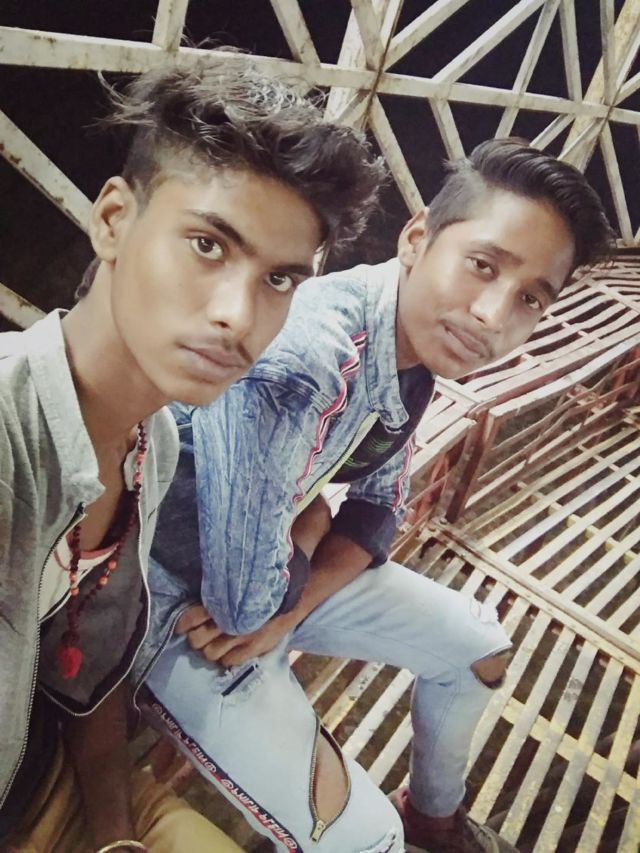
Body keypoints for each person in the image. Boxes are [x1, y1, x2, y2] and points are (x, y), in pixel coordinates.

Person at [137, 139, 614, 853]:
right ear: (417, 237)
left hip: (271, 586)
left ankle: (433, 818)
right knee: (368, 840)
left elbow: (379, 505)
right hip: (174, 612)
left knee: (478, 647)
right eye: (483, 265)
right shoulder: (310, 360)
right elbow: (242, 608)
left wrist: (298, 574)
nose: (492, 314)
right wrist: (308, 526)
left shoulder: (412, 348)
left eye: (530, 299)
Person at [0, 54, 384, 853]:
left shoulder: (153, 441)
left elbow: (87, 671)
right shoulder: (11, 437)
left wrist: (116, 837)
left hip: (55, 784)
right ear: (113, 220)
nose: (239, 316)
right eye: (208, 244)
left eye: (279, 279)